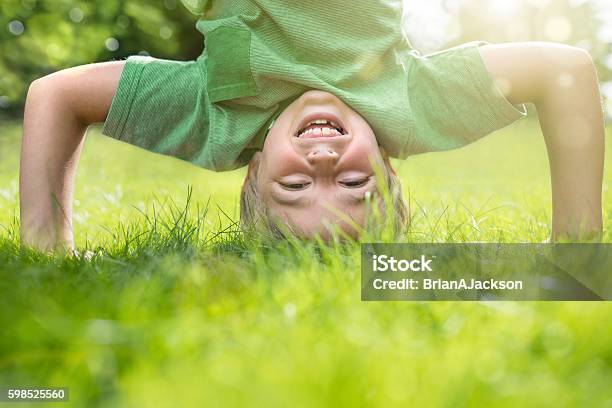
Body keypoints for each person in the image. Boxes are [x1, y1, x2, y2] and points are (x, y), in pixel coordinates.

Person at [20, 0, 604, 250]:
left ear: (251, 173)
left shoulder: (211, 121)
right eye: (355, 186)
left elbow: (54, 95)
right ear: (387, 165)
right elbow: (566, 71)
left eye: (294, 188)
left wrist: (49, 249)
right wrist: (574, 249)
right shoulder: (413, 107)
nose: (323, 166)